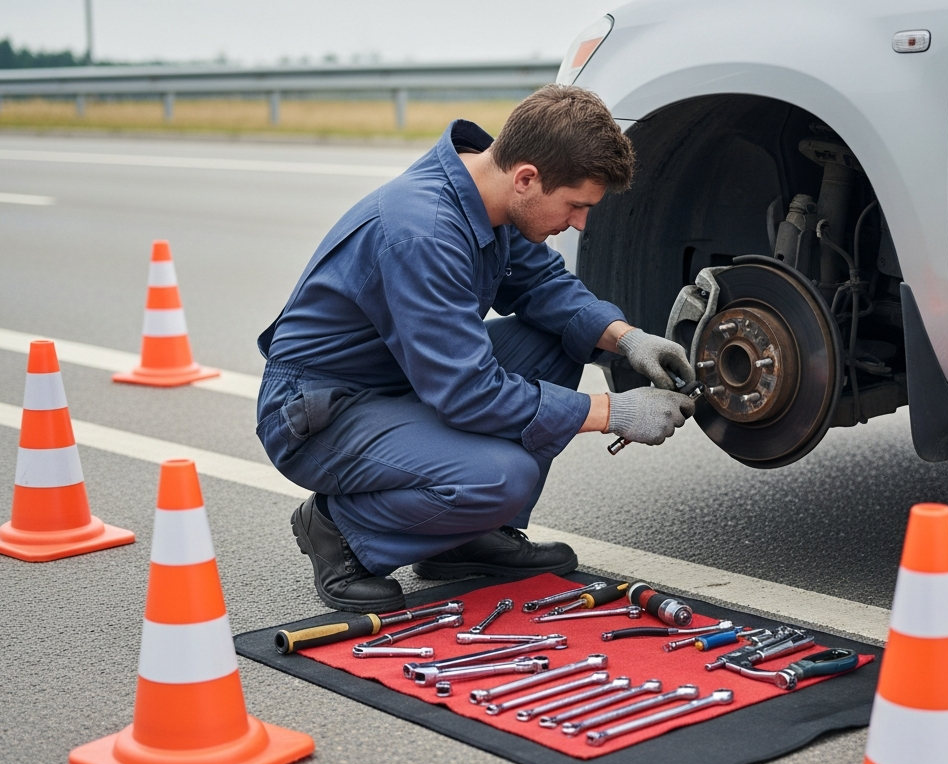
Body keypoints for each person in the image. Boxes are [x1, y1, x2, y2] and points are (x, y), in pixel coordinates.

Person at [256, 85, 695, 613]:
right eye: (576, 205)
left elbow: (546, 289)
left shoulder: (492, 194)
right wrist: (614, 412)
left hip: (401, 383)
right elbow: (467, 393)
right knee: (501, 476)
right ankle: (341, 530)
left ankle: (463, 537)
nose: (579, 223)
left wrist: (628, 340)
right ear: (527, 177)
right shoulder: (423, 232)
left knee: (556, 338)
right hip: (322, 412)